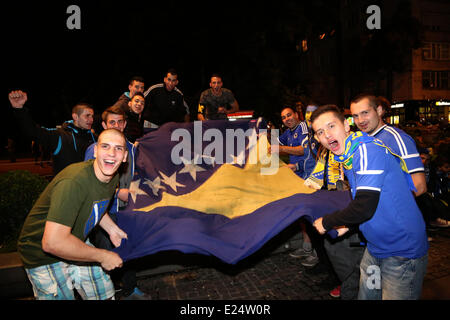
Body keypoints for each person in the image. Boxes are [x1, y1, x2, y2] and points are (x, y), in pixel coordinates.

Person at [311, 105, 428, 300]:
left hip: (401, 252)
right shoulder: (347, 155)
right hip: (375, 249)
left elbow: (363, 206)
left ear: (347, 126)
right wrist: (348, 224)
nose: (327, 134)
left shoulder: (366, 150)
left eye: (332, 126)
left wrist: (326, 222)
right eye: (320, 132)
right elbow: (375, 198)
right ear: (317, 139)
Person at [17, 129, 129, 300]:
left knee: (104, 294)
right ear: (96, 151)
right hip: (42, 253)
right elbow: (52, 243)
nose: (112, 154)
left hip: (74, 240)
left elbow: (95, 205)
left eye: (118, 148)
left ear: (125, 156)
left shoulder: (112, 176)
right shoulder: (74, 182)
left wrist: (112, 229)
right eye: (105, 146)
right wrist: (103, 255)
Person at [84, 105, 148, 300]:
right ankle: (106, 292)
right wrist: (119, 192)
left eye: (120, 121)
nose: (117, 125)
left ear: (125, 123)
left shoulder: (132, 147)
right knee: (105, 252)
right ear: (104, 124)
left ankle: (130, 288)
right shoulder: (94, 150)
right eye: (112, 122)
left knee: (128, 249)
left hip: (127, 210)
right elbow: (92, 183)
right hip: (104, 211)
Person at [270, 107, 319, 267]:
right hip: (299, 177)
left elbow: (303, 150)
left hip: (312, 178)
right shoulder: (288, 132)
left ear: (296, 115)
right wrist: (261, 139)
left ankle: (318, 253)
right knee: (302, 215)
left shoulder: (303, 127)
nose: (287, 119)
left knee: (313, 216)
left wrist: (281, 149)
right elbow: (276, 143)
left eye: (289, 115)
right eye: (283, 117)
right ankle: (307, 247)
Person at [9, 90, 96, 175]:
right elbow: (32, 132)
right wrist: (19, 109)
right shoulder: (60, 136)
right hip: (66, 188)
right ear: (75, 117)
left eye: (92, 116)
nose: (91, 120)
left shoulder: (95, 138)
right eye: (87, 116)